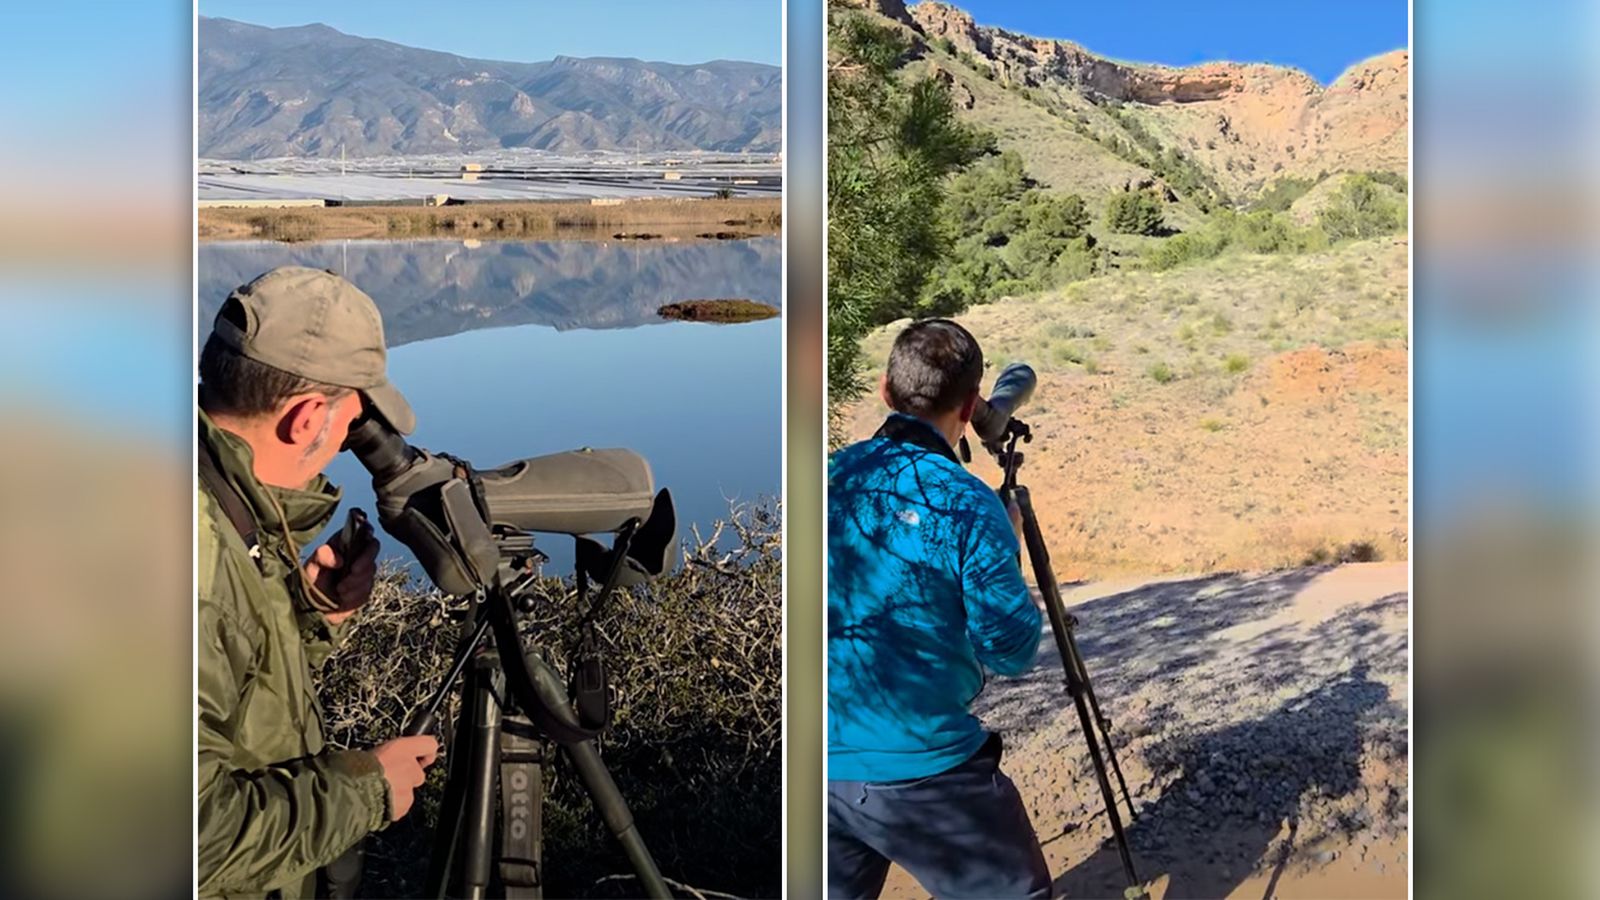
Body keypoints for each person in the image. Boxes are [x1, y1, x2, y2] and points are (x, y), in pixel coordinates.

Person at [196, 266, 439, 899]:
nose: (347, 444)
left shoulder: (220, 504)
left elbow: (228, 692)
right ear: (306, 418)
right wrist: (366, 790)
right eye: (351, 422)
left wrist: (306, 615)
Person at [827, 319, 1051, 899]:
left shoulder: (824, 475)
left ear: (885, 390)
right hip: (922, 767)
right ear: (972, 405)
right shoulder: (967, 506)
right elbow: (1012, 650)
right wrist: (1010, 542)